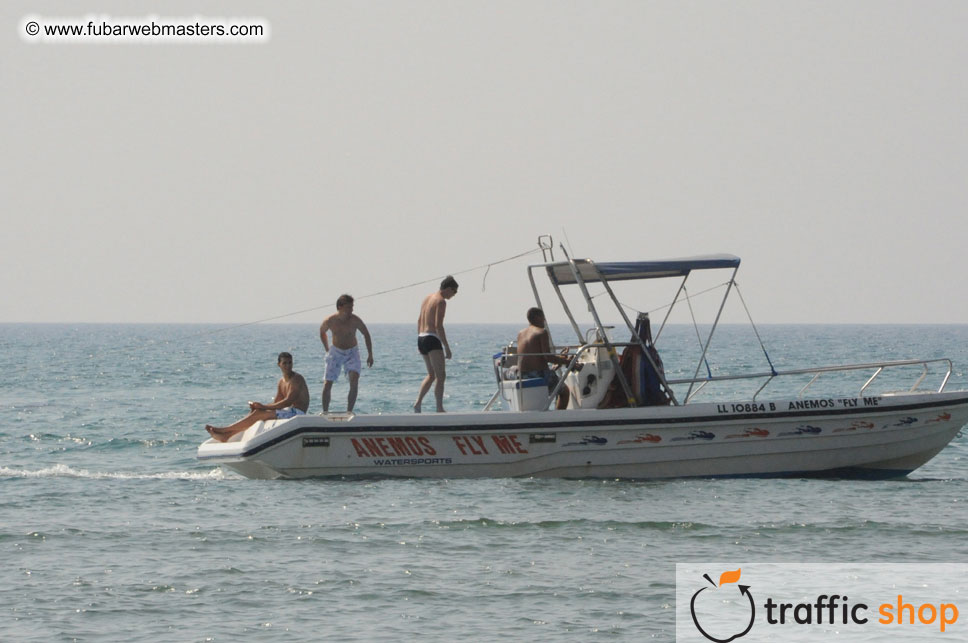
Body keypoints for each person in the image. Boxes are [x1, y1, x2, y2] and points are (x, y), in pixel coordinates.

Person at [205, 352, 310, 442]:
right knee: (257, 413)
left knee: (261, 412)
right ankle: (228, 435)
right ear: (279, 365)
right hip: (288, 411)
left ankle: (225, 430)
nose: (288, 366)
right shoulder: (281, 382)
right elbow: (276, 403)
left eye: (290, 362)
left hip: (297, 413)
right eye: (284, 363)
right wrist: (259, 407)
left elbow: (287, 401)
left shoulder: (296, 379)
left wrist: (264, 407)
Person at [319, 294, 374, 413]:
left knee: (354, 379)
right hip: (335, 351)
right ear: (340, 307)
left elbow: (366, 334)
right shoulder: (330, 320)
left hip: (351, 352)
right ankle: (325, 411)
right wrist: (327, 348)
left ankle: (349, 411)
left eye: (352, 307)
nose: (351, 310)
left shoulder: (355, 320)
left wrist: (370, 354)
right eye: (348, 307)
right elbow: (322, 331)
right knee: (328, 382)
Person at [414, 275, 458, 413]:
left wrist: (419, 340)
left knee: (431, 375)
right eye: (454, 292)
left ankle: (418, 403)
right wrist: (447, 347)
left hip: (421, 337)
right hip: (432, 338)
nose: (453, 296)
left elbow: (419, 319)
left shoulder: (427, 298)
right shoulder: (441, 301)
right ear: (449, 289)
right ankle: (439, 407)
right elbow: (439, 326)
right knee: (441, 375)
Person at [516, 307, 575, 410]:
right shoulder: (542, 332)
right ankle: (558, 419)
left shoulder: (521, 333)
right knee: (565, 391)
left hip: (522, 374)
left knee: (553, 376)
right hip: (538, 374)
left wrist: (560, 358)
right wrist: (567, 361)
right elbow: (548, 357)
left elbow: (539, 358)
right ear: (537, 317)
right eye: (543, 318)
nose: (545, 321)